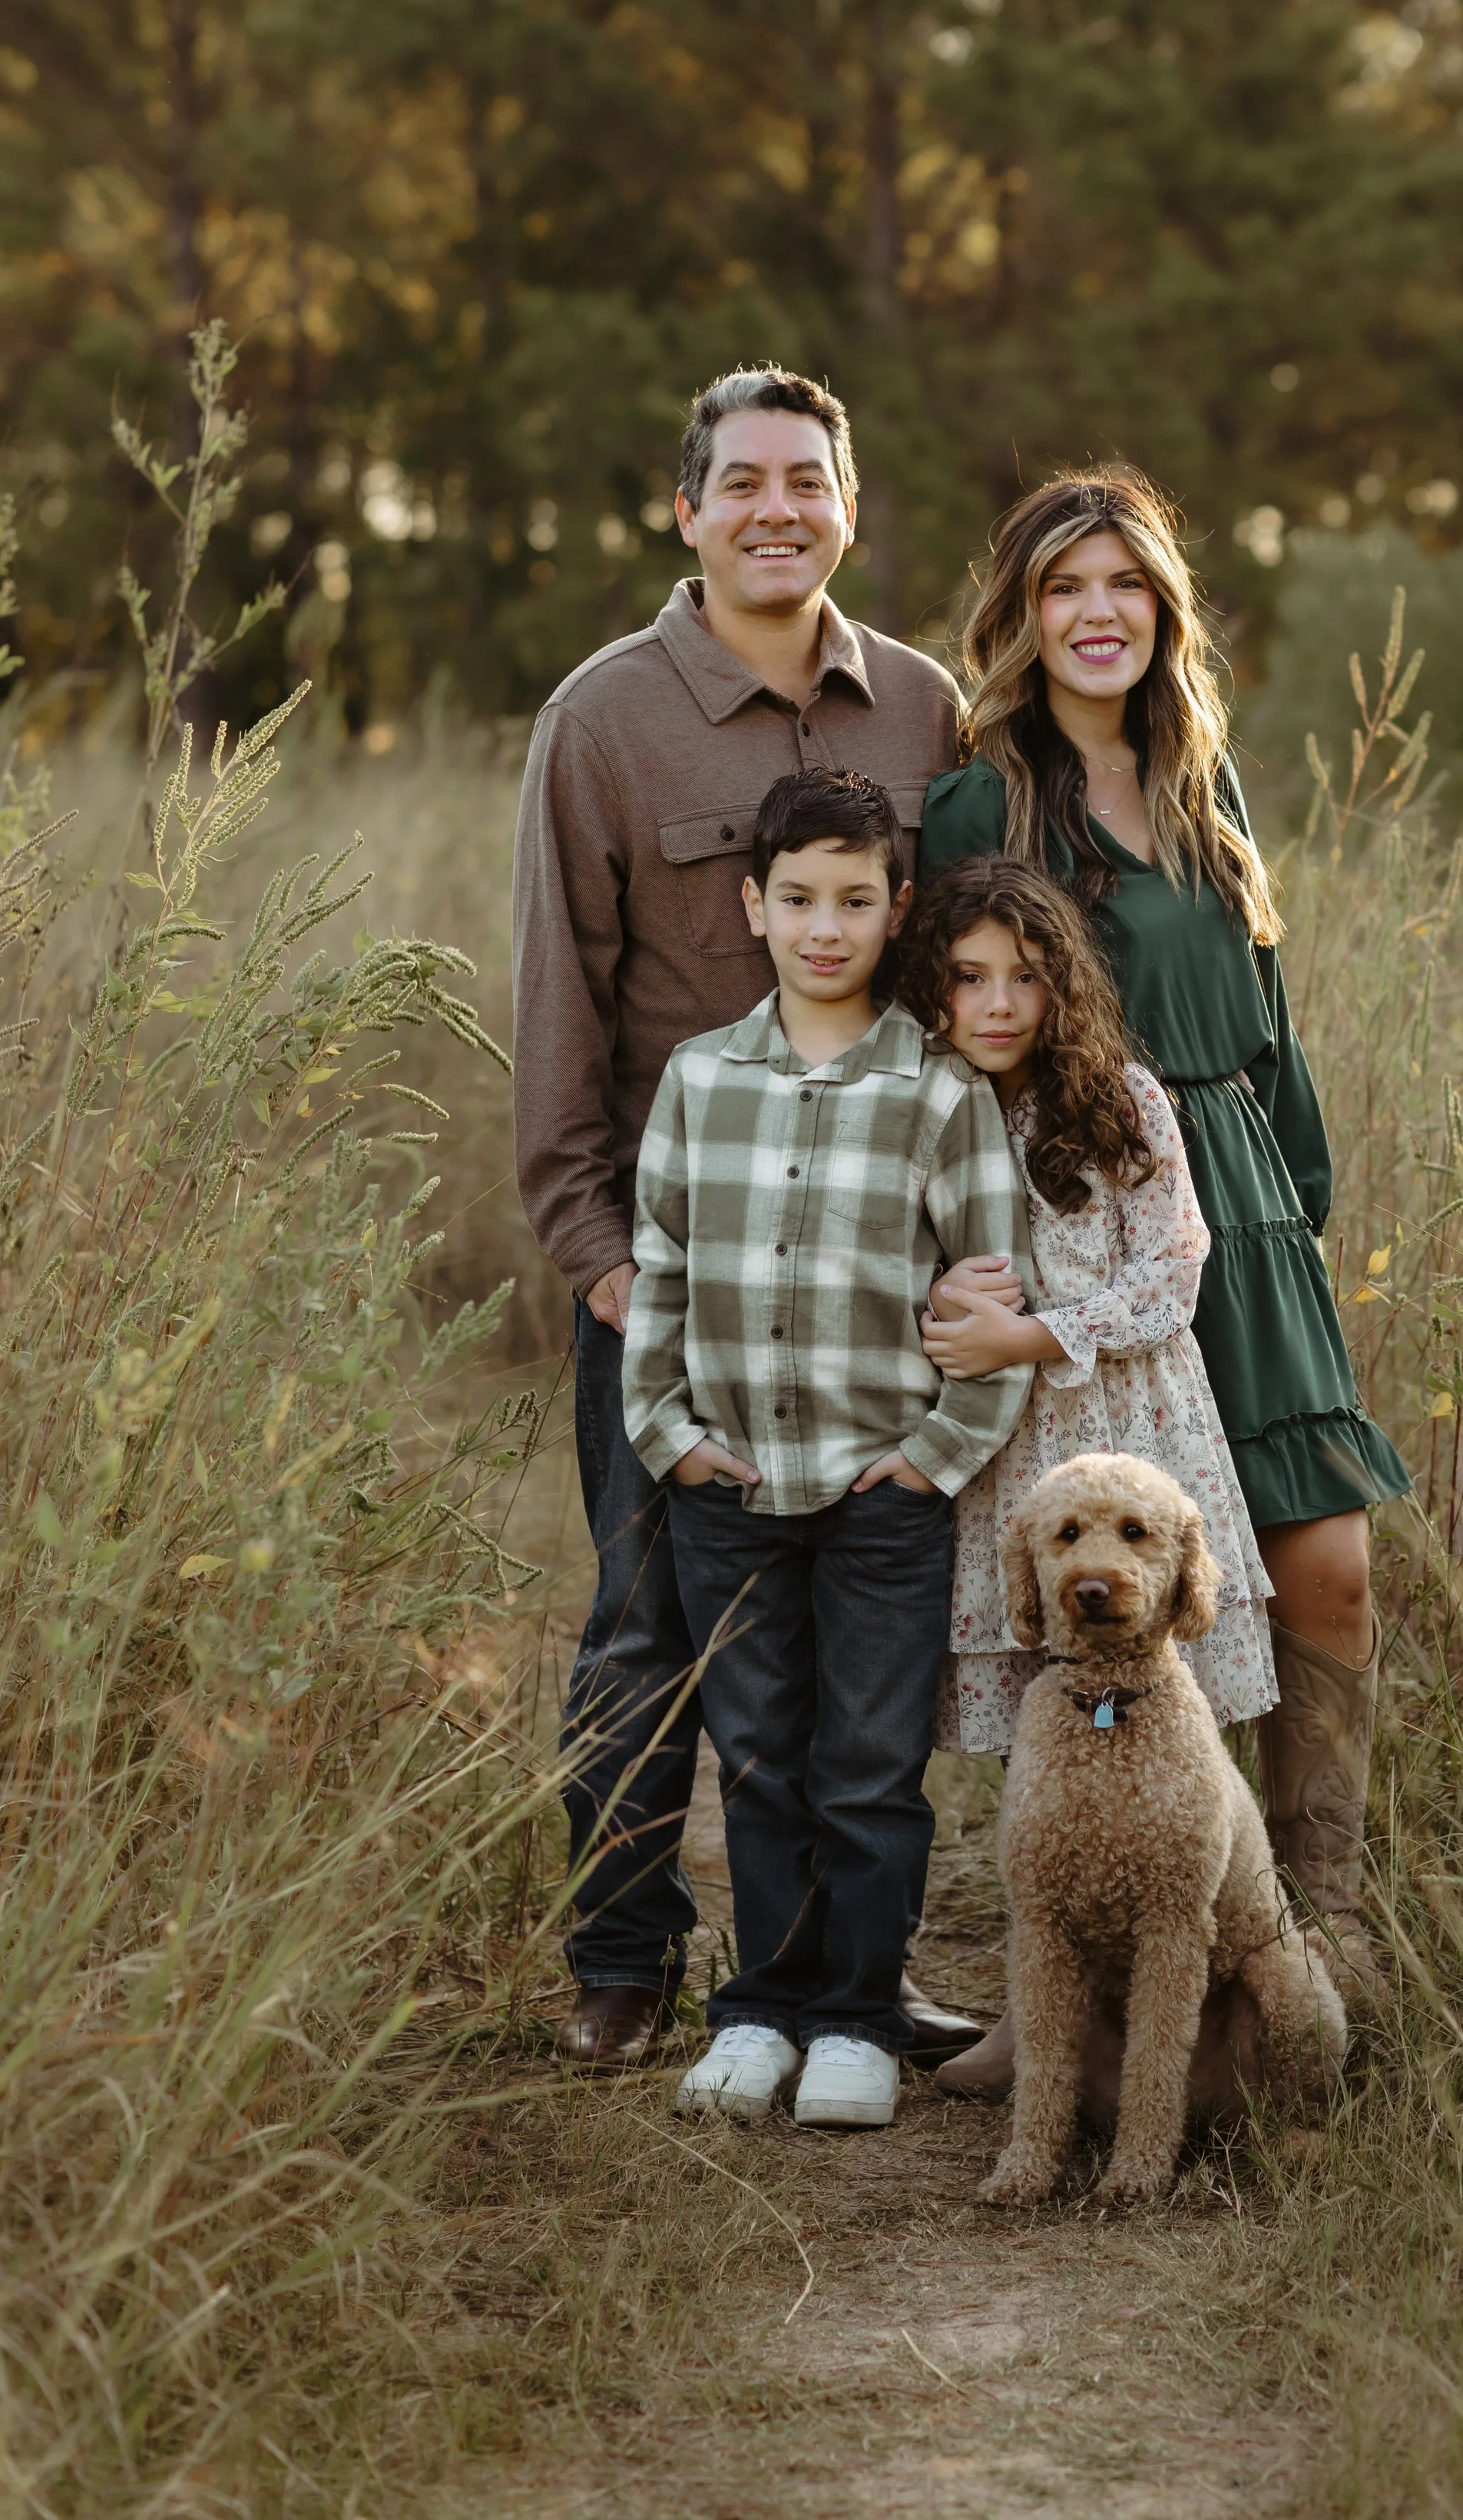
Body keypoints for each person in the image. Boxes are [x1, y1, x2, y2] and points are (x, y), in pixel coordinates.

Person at [511, 363, 981, 2068]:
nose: (777, 509)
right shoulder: (603, 720)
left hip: (877, 1269)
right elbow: (558, 1005)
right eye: (744, 482)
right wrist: (598, 1259)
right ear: (688, 508)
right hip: (677, 1272)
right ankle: (624, 1957)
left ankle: (849, 1972)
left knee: (872, 1637)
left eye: (808, 481)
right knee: (650, 1621)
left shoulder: (925, 711)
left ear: (848, 506)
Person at [918, 469, 1411, 2002]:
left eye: (1123, 584)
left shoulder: (1204, 779)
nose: (1095, 614)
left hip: (1242, 1213)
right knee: (1114, 1603)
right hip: (1077, 1220)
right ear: (1020, 615)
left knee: (1320, 1568)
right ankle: (1106, 1960)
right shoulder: (975, 799)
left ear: (1161, 611)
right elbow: (945, 1029)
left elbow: (1267, 1025)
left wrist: (1298, 1206)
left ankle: (1303, 1935)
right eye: (1063, 587)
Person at [624, 769, 1033, 2131]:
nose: (825, 927)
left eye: (856, 901)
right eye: (798, 898)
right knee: (756, 1757)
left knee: (867, 1764)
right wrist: (668, 1439)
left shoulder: (936, 1093)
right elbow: (662, 1272)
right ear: (754, 905)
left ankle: (857, 2017)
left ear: (895, 908)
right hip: (729, 1486)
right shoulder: (699, 1080)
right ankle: (762, 2008)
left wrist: (936, 1455)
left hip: (880, 1489)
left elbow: (993, 1287)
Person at [896, 856, 1277, 1749]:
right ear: (932, 985)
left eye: (1025, 977)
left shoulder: (1121, 1101)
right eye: (969, 978)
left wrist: (1028, 1337)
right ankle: (1054, 1845)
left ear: (1060, 984)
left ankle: (1182, 1844)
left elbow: (1171, 1275)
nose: (998, 1005)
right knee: (1042, 1645)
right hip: (1005, 1443)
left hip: (1128, 1420)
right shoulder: (921, 1109)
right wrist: (938, 1297)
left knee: (1150, 1657)